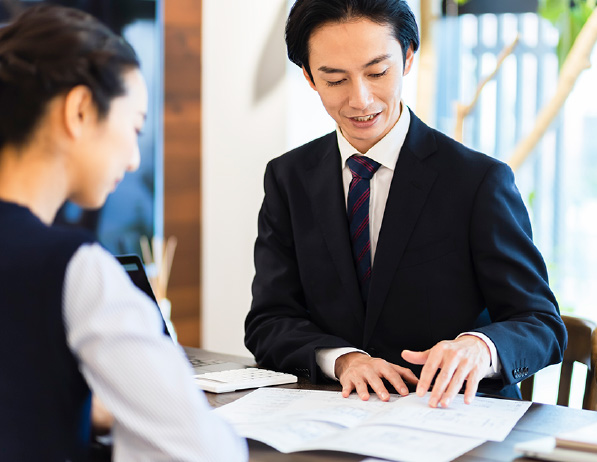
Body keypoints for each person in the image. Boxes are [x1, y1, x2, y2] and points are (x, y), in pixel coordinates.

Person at [245, 0, 567, 408]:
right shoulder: (289, 178)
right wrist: (343, 360)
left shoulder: (476, 180)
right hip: (333, 416)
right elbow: (269, 321)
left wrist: (480, 348)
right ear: (309, 77)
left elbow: (541, 324)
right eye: (335, 79)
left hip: (456, 417)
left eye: (378, 72)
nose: (360, 100)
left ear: (408, 56)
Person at [0, 5, 246, 461]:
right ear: (79, 110)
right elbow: (202, 451)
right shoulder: (75, 266)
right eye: (134, 127)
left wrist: (78, 409)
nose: (134, 159)